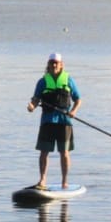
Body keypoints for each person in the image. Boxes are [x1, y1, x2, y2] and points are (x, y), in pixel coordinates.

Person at [26, 52, 82, 190]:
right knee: (44, 151)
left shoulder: (69, 80)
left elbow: (78, 99)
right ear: (48, 65)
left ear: (61, 64)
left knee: (64, 152)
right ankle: (42, 180)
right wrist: (32, 106)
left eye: (56, 62)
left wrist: (73, 111)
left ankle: (64, 181)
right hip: (47, 121)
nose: (54, 65)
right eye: (52, 63)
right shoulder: (42, 81)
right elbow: (35, 99)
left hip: (64, 122)